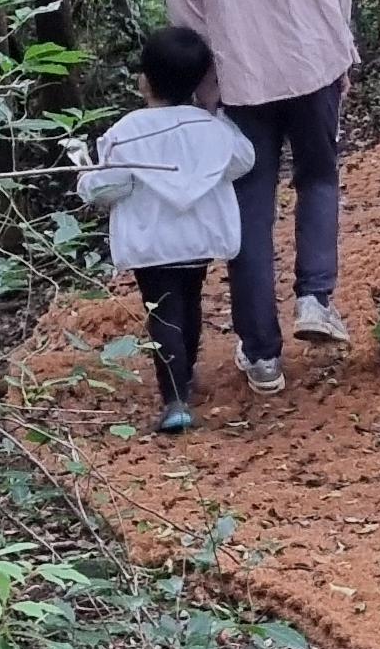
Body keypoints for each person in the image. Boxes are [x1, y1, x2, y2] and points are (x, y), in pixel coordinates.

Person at [153, 0, 356, 393]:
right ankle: (316, 299)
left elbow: (184, 2)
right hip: (314, 56)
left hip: (237, 74)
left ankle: (262, 354)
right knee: (320, 177)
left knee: (250, 208)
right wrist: (341, 46)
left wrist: (203, 88)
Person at [76, 26, 253, 435]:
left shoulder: (127, 131)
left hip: (152, 241)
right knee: (189, 302)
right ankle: (185, 374)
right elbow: (243, 161)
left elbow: (110, 186)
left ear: (144, 79)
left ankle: (174, 398)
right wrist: (218, 115)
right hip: (200, 238)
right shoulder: (212, 129)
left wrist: (85, 176)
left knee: (163, 312)